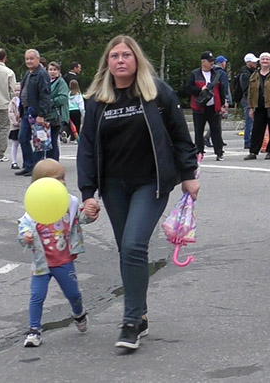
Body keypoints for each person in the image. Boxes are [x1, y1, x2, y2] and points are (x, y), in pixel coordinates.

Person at [77, 35, 199, 350]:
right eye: (114, 56)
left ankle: (130, 321)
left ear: (136, 60)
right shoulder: (96, 100)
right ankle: (140, 314)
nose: (120, 60)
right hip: (113, 186)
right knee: (127, 250)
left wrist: (189, 175)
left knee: (133, 245)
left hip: (151, 182)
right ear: (107, 62)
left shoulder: (157, 93)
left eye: (126, 55)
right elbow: (87, 147)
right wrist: (88, 191)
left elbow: (180, 135)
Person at [18, 159, 97, 348]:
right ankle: (34, 330)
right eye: (56, 179)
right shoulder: (35, 205)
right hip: (41, 264)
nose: (62, 182)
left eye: (63, 178)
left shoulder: (69, 202)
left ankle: (79, 313)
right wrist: (26, 236)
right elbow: (24, 226)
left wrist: (89, 213)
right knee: (37, 296)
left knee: (73, 294)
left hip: (63, 261)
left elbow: (80, 218)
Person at [16, 49, 51, 176]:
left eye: (31, 59)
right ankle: (28, 165)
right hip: (26, 111)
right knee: (22, 138)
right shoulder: (28, 74)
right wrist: (20, 110)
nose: (29, 61)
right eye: (27, 59)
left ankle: (37, 168)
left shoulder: (42, 74)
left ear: (37, 59)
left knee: (39, 142)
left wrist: (42, 114)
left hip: (36, 113)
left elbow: (45, 95)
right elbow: (22, 92)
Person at [186, 51, 227, 161]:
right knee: (199, 131)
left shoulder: (216, 74)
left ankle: (219, 152)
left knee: (216, 131)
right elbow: (188, 88)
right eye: (209, 61)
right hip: (199, 107)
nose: (212, 63)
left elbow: (221, 89)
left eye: (212, 61)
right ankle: (199, 152)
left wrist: (223, 104)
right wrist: (200, 90)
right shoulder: (195, 74)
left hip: (214, 106)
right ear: (203, 62)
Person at [47, 61, 69, 162]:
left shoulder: (61, 82)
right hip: (47, 114)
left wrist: (50, 102)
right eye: (50, 69)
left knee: (53, 139)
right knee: (47, 140)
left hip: (56, 114)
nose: (52, 72)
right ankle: (48, 161)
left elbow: (63, 98)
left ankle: (54, 161)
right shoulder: (46, 81)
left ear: (58, 71)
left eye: (55, 70)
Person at [238, 53, 258, 149]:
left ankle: (251, 140)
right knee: (249, 120)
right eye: (253, 62)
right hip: (248, 99)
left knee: (252, 121)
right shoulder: (245, 74)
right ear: (248, 62)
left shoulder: (252, 72)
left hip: (251, 99)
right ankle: (248, 141)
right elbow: (247, 89)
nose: (256, 63)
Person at [8, 83, 22, 170]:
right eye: (15, 90)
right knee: (15, 143)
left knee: (25, 143)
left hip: (23, 124)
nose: (17, 92)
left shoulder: (25, 100)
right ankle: (14, 161)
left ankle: (26, 161)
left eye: (19, 90)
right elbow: (10, 113)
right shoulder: (12, 102)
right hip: (15, 126)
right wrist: (15, 122)